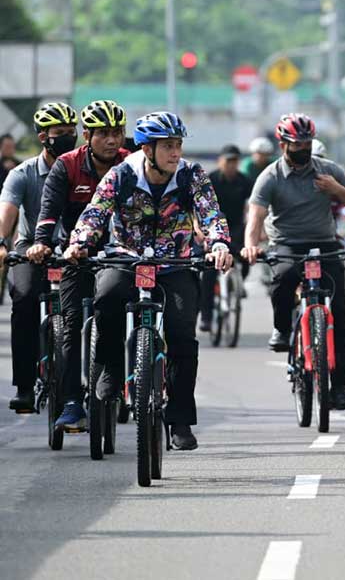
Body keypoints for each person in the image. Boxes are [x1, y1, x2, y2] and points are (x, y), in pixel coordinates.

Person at [63, 111, 232, 450]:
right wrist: (78, 243)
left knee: (183, 332)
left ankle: (180, 418)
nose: (175, 152)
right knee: (107, 299)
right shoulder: (121, 174)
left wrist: (219, 245)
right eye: (167, 146)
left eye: (179, 145)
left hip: (175, 262)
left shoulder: (190, 175)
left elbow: (211, 214)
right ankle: (110, 368)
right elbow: (94, 214)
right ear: (146, 148)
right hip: (127, 257)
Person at [241, 113, 345, 410]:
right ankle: (282, 328)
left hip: (324, 244)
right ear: (283, 144)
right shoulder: (270, 176)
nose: (303, 149)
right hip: (287, 244)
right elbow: (255, 217)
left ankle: (341, 385)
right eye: (296, 144)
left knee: (341, 315)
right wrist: (250, 246)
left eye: (307, 143)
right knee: (281, 280)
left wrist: (336, 189)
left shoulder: (328, 170)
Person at [28, 99, 130, 430]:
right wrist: (42, 242)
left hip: (119, 254)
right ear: (87, 135)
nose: (112, 141)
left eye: (117, 133)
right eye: (103, 134)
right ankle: (72, 402)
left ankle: (118, 380)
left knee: (112, 310)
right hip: (76, 253)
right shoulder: (68, 165)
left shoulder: (132, 164)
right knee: (71, 323)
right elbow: (48, 211)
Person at [1, 103, 77, 411]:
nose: (68, 138)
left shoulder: (81, 168)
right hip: (30, 247)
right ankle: (23, 386)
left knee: (97, 306)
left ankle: (106, 385)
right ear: (43, 136)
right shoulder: (22, 173)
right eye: (61, 133)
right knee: (24, 299)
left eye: (72, 133)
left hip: (75, 247)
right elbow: (7, 213)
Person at [198, 144, 253, 332]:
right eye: (228, 161)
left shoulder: (244, 181)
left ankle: (237, 286)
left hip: (237, 228)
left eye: (235, 161)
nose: (231, 165)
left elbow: (254, 205)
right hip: (212, 229)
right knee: (209, 273)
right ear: (220, 161)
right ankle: (206, 316)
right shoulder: (210, 180)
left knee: (247, 257)